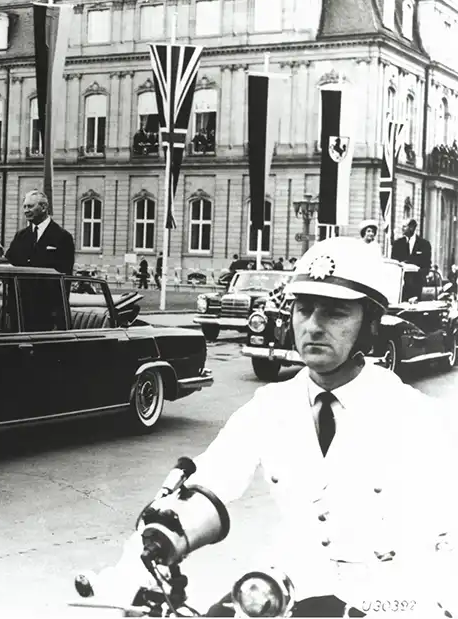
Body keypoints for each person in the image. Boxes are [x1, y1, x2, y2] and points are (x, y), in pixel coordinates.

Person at [88, 236, 458, 617]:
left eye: (335, 313)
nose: (313, 326)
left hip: (387, 600)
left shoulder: (413, 414)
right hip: (282, 592)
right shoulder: (270, 405)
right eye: (304, 309)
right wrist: (146, 556)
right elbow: (207, 481)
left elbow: (445, 541)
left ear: (370, 324)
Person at [5, 190, 75, 275]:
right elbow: (9, 264)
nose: (26, 211)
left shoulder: (63, 237)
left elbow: (65, 274)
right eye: (24, 207)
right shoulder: (20, 236)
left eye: (30, 206)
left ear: (44, 207)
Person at [390, 218, 432, 301]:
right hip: (400, 283)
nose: (402, 229)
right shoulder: (397, 244)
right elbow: (393, 262)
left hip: (417, 282)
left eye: (404, 227)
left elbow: (427, 263)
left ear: (412, 228)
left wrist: (420, 272)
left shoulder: (424, 244)